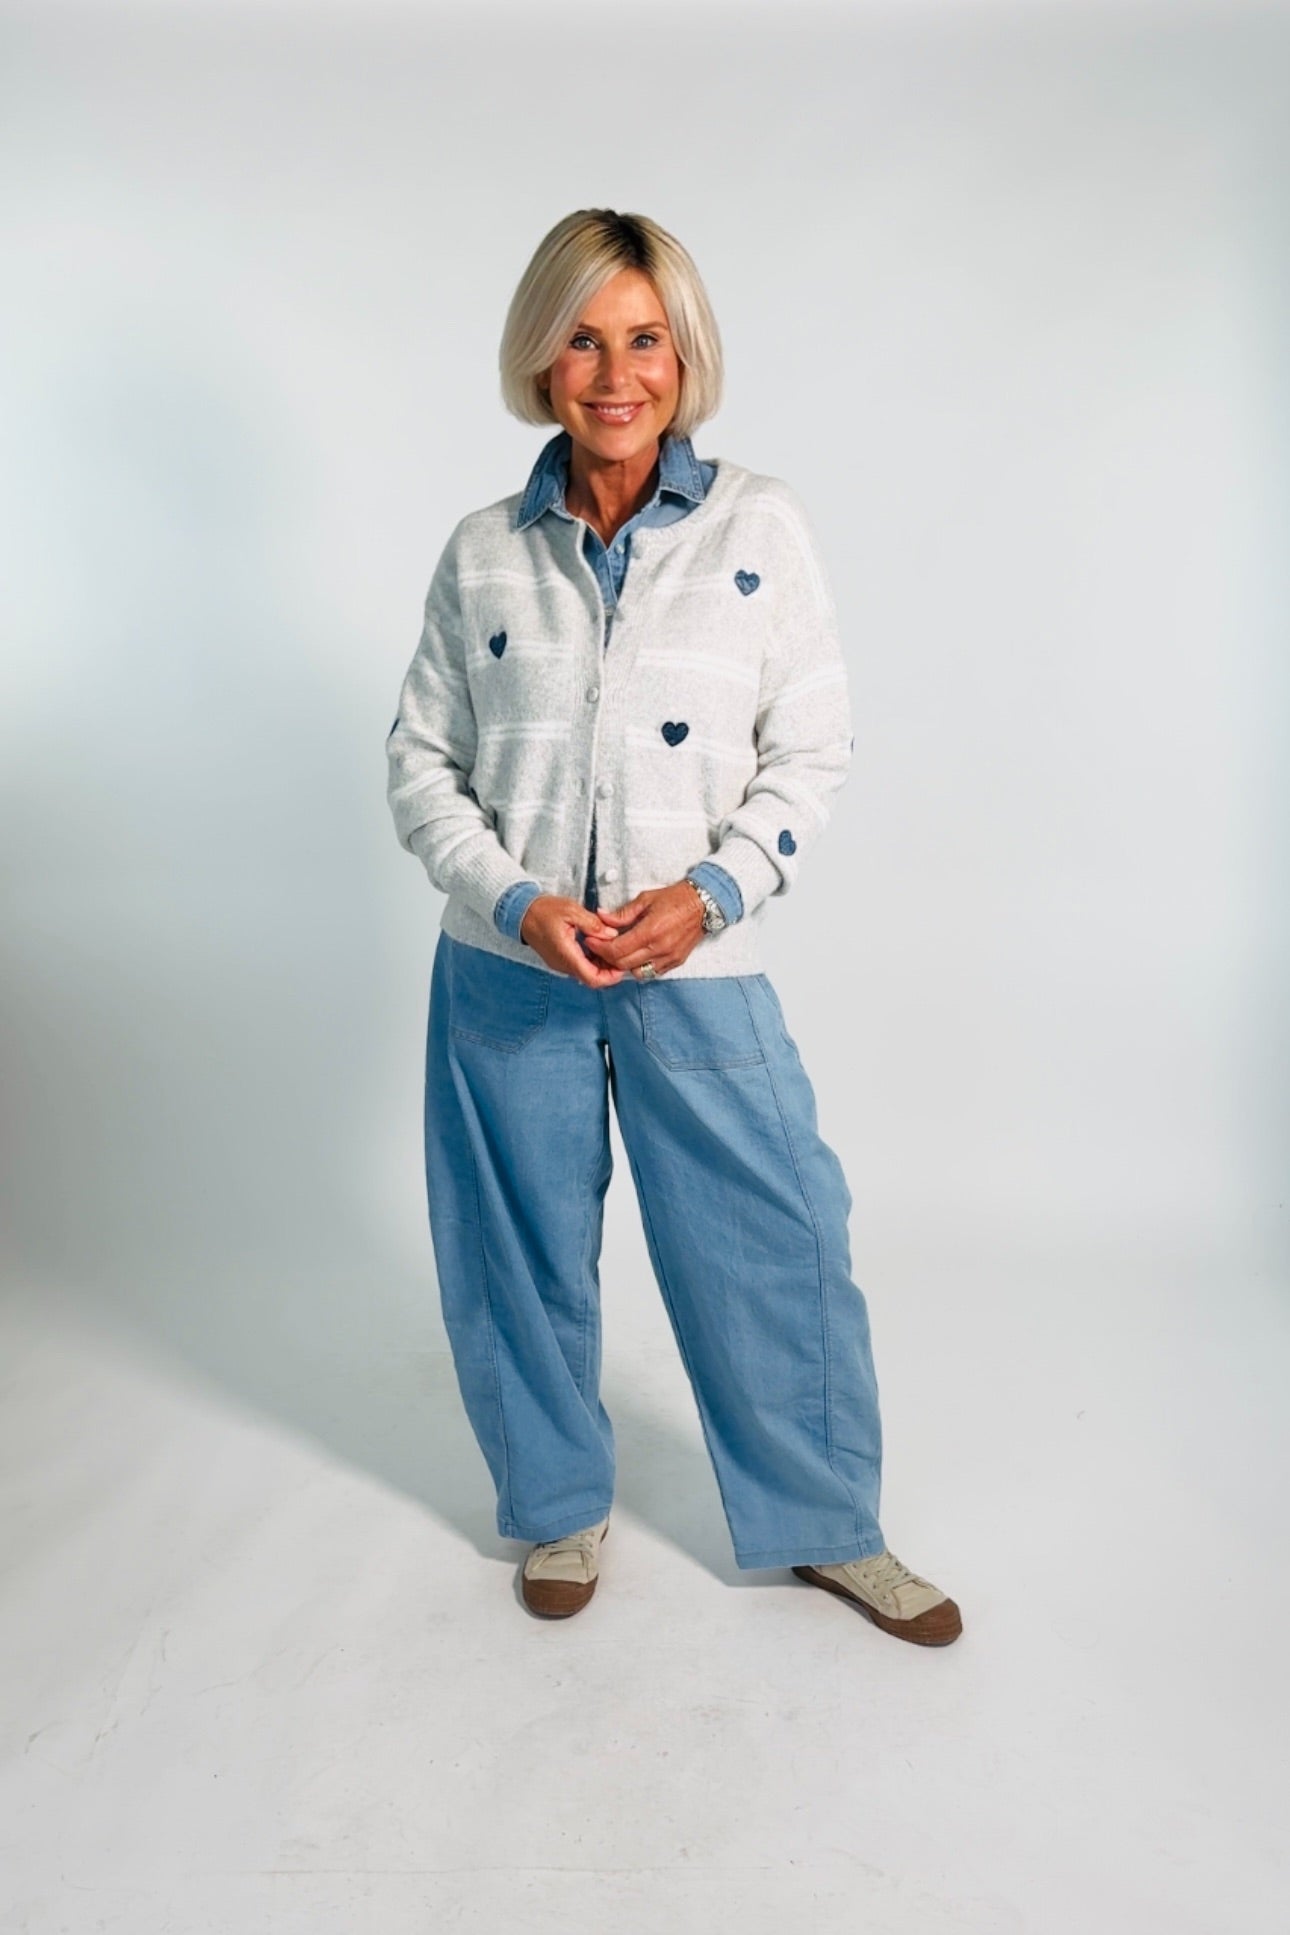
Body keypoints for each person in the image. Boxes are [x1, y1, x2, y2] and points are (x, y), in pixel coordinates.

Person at [386, 208, 962, 1645]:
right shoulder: (482, 553)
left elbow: (810, 750)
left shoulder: (759, 526)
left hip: (696, 964)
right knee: (514, 1250)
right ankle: (556, 1506)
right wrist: (516, 900)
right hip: (507, 969)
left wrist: (709, 894)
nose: (615, 373)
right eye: (583, 340)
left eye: (644, 339)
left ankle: (827, 1527)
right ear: (541, 358)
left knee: (773, 1236)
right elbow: (420, 762)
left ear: (684, 354)